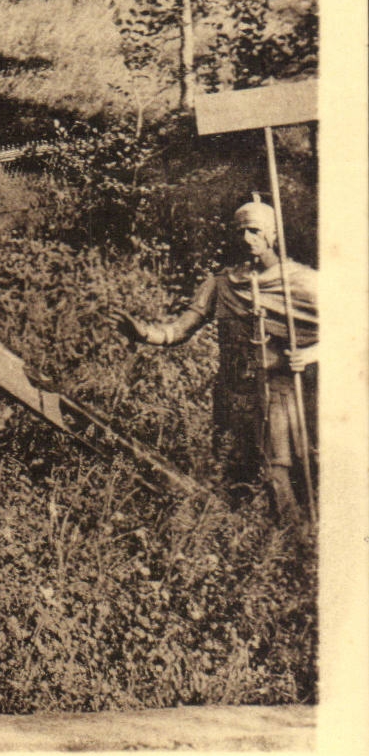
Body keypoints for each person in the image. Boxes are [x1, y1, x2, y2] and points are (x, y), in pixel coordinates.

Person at [115, 199, 318, 524]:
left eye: (254, 231)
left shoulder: (300, 282)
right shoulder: (221, 284)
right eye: (241, 232)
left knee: (275, 476)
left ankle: (295, 548)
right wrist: (145, 334)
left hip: (274, 395)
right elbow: (181, 329)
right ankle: (234, 545)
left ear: (272, 235)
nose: (247, 238)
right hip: (230, 395)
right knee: (231, 476)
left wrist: (308, 354)